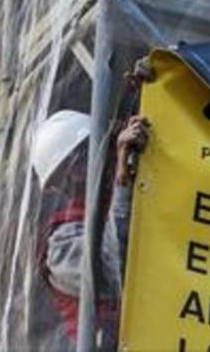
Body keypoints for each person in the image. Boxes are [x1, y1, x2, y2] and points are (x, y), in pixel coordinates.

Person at [27, 69, 154, 350]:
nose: (84, 171)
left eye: (87, 155)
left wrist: (147, 90)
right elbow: (116, 267)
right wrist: (123, 178)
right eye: (74, 166)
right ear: (57, 187)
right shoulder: (59, 248)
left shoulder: (120, 191)